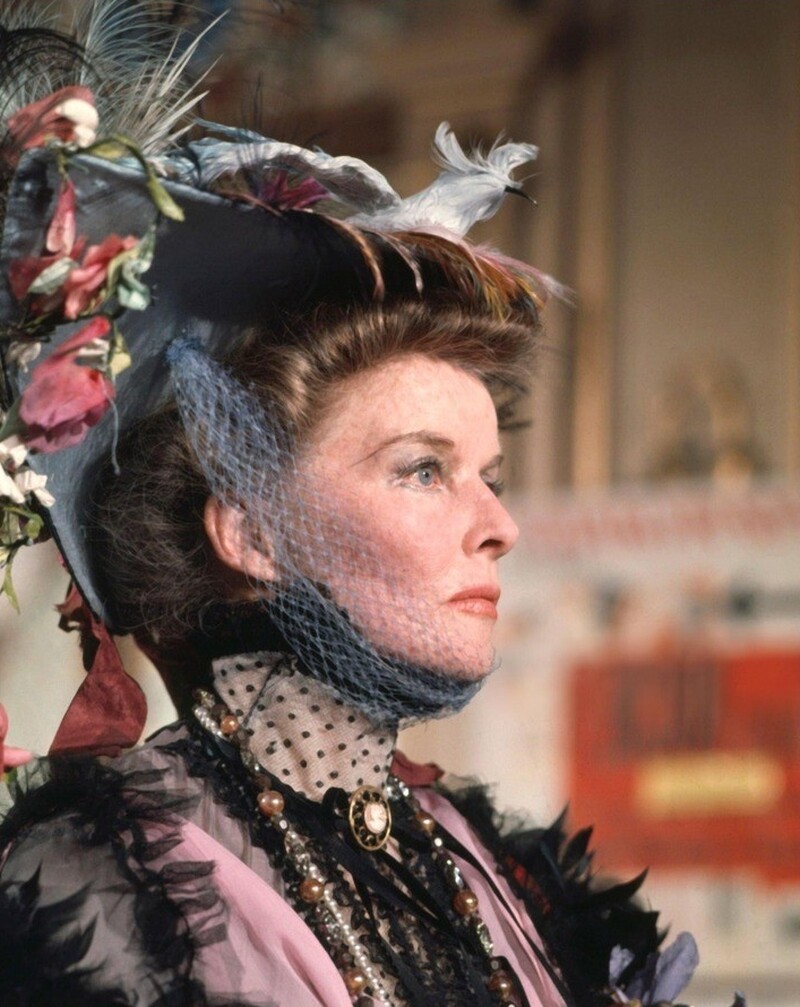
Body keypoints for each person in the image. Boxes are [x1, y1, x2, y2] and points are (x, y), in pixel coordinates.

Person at [0, 5, 718, 1007]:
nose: (499, 525)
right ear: (250, 532)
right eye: (422, 469)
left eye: (491, 475)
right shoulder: (113, 878)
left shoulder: (493, 870)